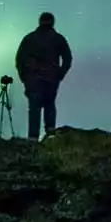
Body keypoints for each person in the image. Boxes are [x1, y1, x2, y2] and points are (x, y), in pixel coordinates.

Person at [14, 11, 73, 140]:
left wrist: (24, 77)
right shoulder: (58, 38)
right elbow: (67, 59)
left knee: (34, 108)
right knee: (49, 104)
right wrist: (60, 74)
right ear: (52, 22)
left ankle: (33, 138)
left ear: (40, 22)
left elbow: (19, 60)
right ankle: (50, 135)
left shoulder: (29, 38)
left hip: (33, 79)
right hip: (51, 78)